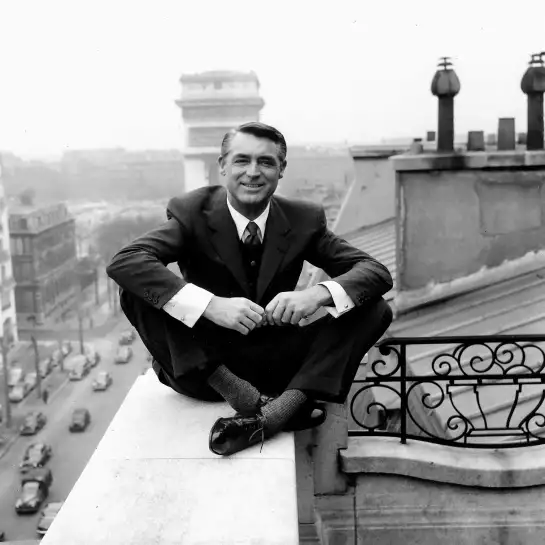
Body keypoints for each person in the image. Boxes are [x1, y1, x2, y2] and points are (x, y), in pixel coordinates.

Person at [106, 121, 393, 456]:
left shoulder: (303, 219)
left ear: (281, 170)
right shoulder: (190, 214)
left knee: (374, 308)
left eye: (266, 162)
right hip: (205, 368)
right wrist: (211, 305)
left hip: (278, 364)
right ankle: (249, 400)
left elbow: (375, 272)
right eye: (242, 161)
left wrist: (316, 294)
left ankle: (276, 412)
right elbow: (125, 262)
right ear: (223, 167)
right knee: (136, 289)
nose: (253, 173)